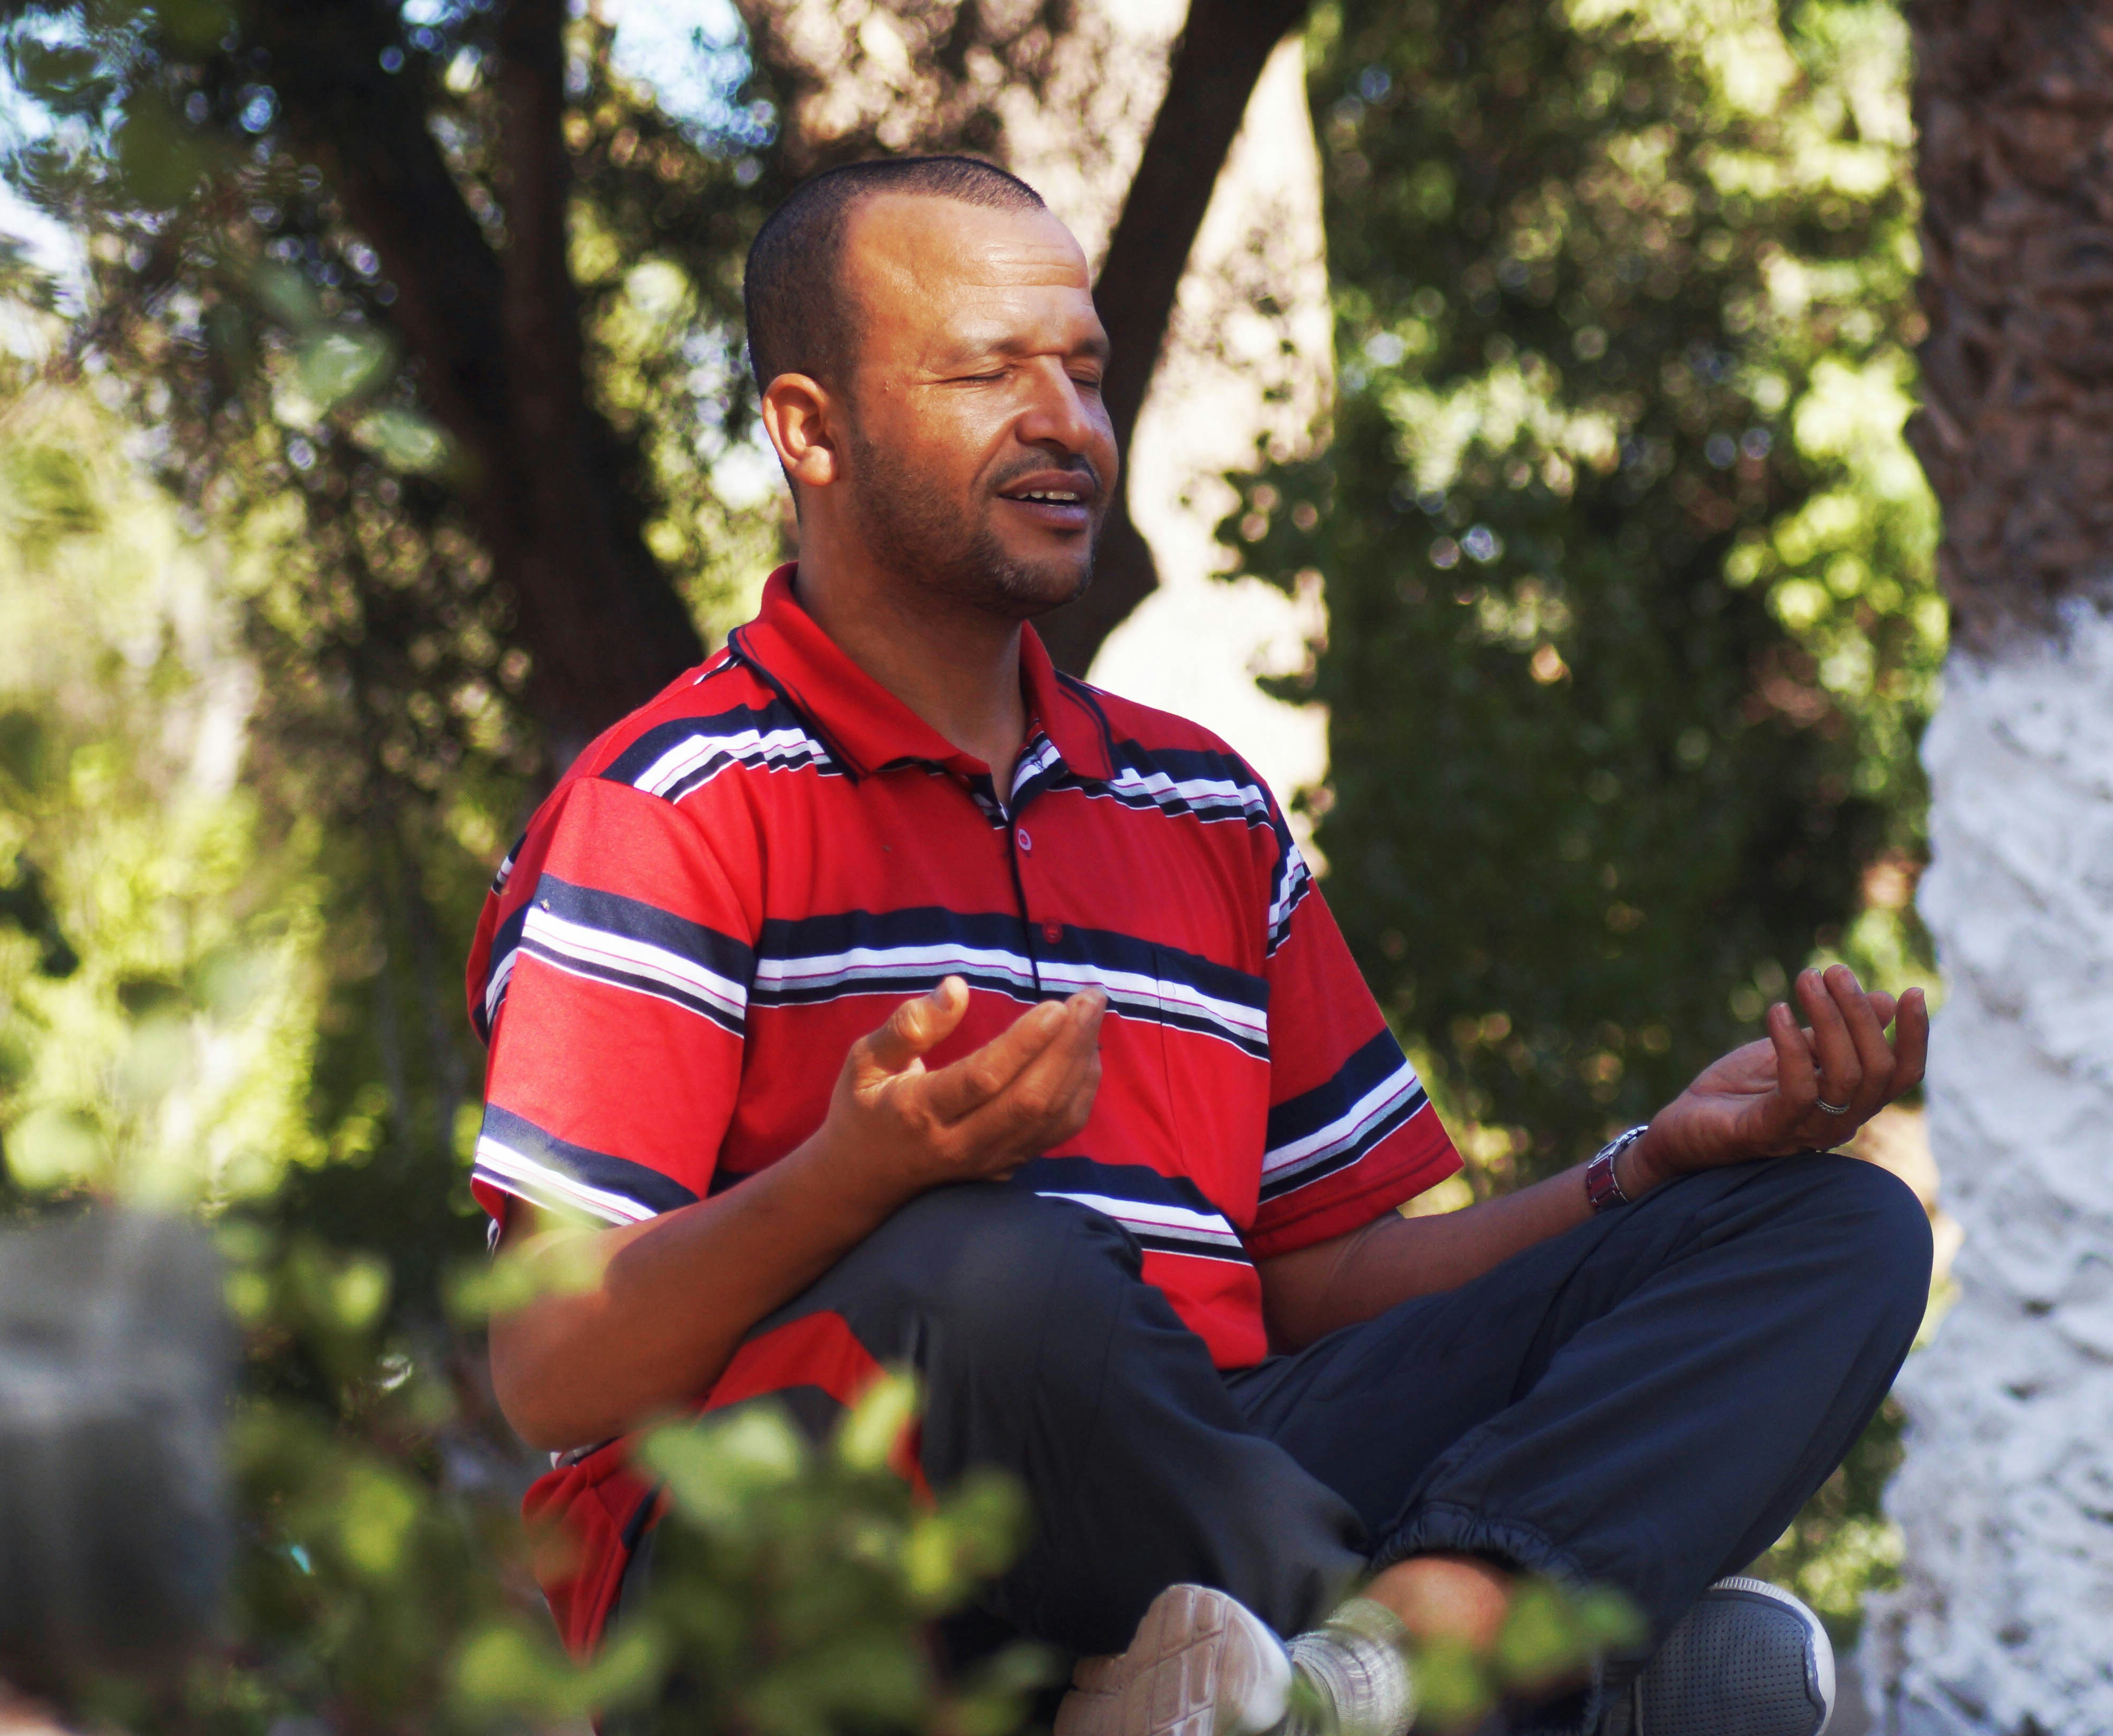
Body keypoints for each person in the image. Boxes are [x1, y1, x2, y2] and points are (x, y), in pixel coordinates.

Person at [469, 155, 1932, 1736]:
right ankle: (1506, 1685)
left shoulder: (1203, 808)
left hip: (1197, 1526)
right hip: (809, 1587)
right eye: (988, 372)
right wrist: (851, 1178)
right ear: (809, 430)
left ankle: (1340, 1680)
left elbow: (1330, 1285)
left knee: (1830, 1233)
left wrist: (1642, 1171)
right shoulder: (671, 804)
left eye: (1086, 374)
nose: (1065, 423)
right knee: (987, 1271)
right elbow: (550, 1365)